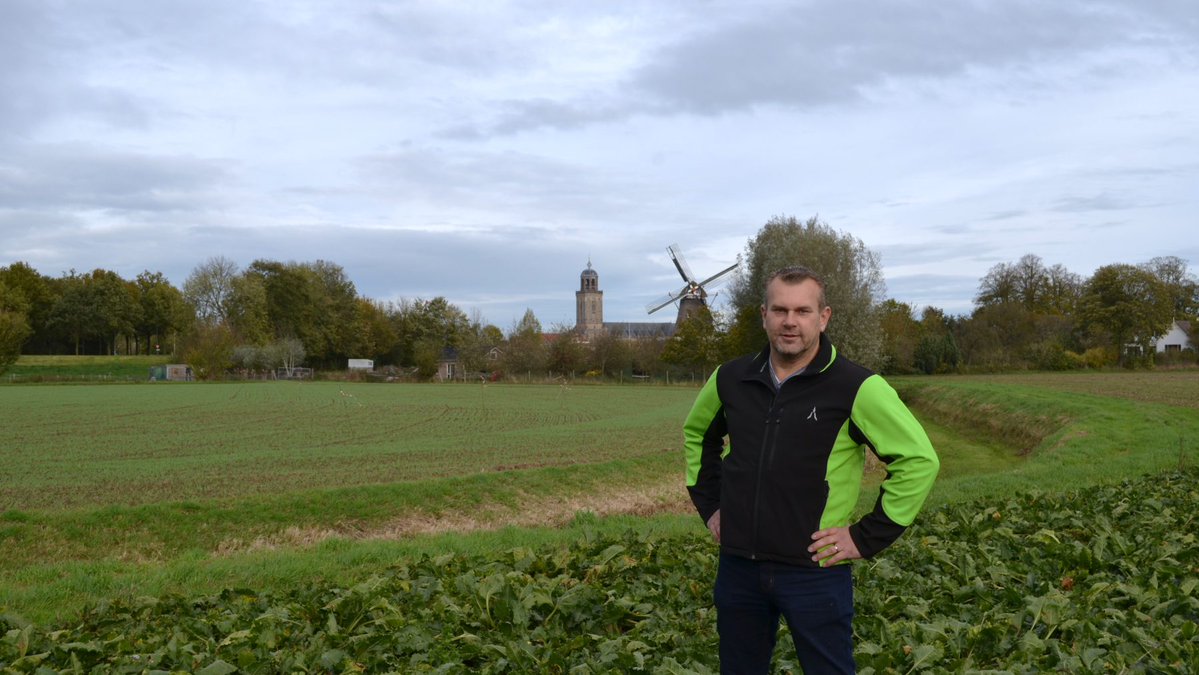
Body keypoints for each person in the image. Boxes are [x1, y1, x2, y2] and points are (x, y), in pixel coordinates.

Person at [683, 265, 939, 674]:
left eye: (803, 311)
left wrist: (864, 537)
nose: (790, 321)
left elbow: (919, 460)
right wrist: (712, 507)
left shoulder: (857, 386)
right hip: (739, 569)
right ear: (763, 314)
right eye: (780, 310)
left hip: (814, 572)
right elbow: (698, 435)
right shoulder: (730, 379)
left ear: (823, 317)